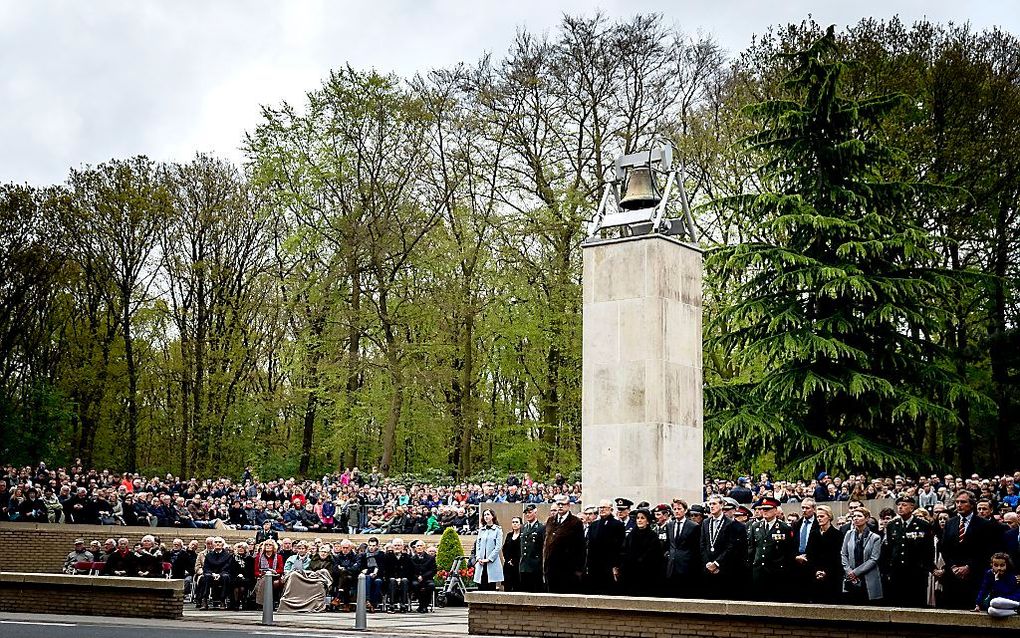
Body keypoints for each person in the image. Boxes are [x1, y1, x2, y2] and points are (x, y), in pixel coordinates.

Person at [939, 490, 997, 609]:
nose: (959, 505)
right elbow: (944, 548)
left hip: (974, 576)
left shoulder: (984, 524)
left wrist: (968, 567)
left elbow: (986, 550)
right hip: (952, 576)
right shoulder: (950, 523)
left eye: (963, 502)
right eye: (957, 502)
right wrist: (953, 567)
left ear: (972, 504)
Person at [882, 495, 934, 608]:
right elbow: (889, 549)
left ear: (912, 507)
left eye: (904, 505)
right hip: (897, 572)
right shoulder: (892, 525)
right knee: (897, 603)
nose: (900, 507)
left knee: (916, 604)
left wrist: (927, 567)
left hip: (916, 572)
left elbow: (928, 549)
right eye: (899, 505)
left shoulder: (923, 525)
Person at [747, 496, 796, 601]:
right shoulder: (756, 526)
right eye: (763, 509)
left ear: (775, 510)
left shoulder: (784, 528)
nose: (764, 511)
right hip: (759, 571)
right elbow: (752, 549)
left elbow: (789, 551)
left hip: (776, 572)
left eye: (768, 509)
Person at [701, 495, 745, 599]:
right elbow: (702, 545)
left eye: (714, 504)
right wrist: (707, 563)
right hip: (708, 567)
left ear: (721, 505)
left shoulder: (730, 523)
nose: (711, 506)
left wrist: (717, 563)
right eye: (710, 504)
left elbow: (731, 547)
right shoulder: (705, 522)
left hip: (724, 568)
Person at [543, 495, 585, 594]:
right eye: (558, 504)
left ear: (568, 505)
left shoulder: (575, 522)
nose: (561, 506)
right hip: (551, 567)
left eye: (563, 504)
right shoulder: (550, 520)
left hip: (567, 568)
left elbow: (580, 547)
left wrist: (578, 570)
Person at [841, 507, 883, 604]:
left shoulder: (875, 538)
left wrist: (856, 572)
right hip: (850, 577)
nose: (855, 518)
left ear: (867, 518)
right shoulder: (848, 534)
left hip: (867, 577)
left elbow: (874, 559)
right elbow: (844, 554)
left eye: (859, 516)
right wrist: (848, 571)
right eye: (854, 516)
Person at [619, 508, 665, 596]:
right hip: (630, 575)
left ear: (648, 521)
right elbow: (624, 551)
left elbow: (654, 557)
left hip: (647, 576)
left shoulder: (653, 537)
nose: (639, 520)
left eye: (642, 518)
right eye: (638, 518)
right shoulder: (631, 535)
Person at [806, 505, 844, 603]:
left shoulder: (837, 535)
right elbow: (809, 554)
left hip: (832, 576)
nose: (819, 519)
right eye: (818, 516)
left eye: (822, 516)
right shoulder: (814, 534)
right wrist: (815, 571)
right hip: (814, 575)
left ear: (829, 517)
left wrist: (826, 572)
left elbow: (837, 557)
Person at [586, 499, 625, 594]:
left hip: (609, 566)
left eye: (604, 507)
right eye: (600, 507)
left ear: (611, 509)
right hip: (594, 566)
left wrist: (616, 566)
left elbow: (619, 547)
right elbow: (590, 545)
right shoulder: (594, 525)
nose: (602, 510)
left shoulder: (617, 525)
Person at [664, 499, 701, 598]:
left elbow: (696, 549)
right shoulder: (669, 525)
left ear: (685, 510)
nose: (676, 511)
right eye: (674, 509)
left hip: (686, 567)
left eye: (679, 509)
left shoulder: (693, 526)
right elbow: (669, 544)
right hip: (671, 567)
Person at [976, 553, 1020, 617]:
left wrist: (997, 580)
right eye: (996, 565)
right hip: (999, 603)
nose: (999, 568)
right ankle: (1016, 611)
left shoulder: (1011, 576)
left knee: (994, 602)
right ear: (992, 565)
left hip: (1011, 599)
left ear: (1006, 565)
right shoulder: (989, 574)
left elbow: (1002, 593)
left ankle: (1018, 605)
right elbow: (983, 589)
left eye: (1002, 565)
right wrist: (978, 604)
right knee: (991, 610)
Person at [474, 509, 504, 591]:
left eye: (488, 514)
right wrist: (478, 558)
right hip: (481, 562)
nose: (486, 516)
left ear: (492, 516)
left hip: (491, 562)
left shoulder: (498, 530)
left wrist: (489, 559)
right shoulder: (481, 530)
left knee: (490, 585)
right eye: (484, 515)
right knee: (480, 584)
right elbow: (478, 544)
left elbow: (498, 546)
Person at [198, 537, 232, 609]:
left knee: (226, 577)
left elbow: (227, 567)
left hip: (223, 574)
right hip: (211, 574)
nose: (217, 544)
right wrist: (212, 574)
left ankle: (222, 601)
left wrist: (219, 574)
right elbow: (206, 567)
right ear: (213, 544)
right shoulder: (209, 555)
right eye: (216, 542)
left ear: (223, 544)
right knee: (206, 576)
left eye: (219, 542)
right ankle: (204, 601)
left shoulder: (228, 556)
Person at [518, 503, 545, 592]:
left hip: (535, 565)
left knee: (536, 591)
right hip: (524, 565)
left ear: (535, 512)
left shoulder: (541, 528)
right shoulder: (523, 527)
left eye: (530, 512)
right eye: (526, 513)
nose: (527, 515)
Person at [254, 540, 285, 608]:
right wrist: (260, 574)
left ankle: (272, 601)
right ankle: (262, 602)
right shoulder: (258, 557)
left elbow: (281, 569)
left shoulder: (279, 557)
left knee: (275, 583)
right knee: (265, 580)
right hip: (263, 576)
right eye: (266, 545)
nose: (268, 546)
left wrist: (273, 571)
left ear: (273, 547)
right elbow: (256, 571)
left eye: (270, 545)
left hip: (275, 576)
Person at [384, 538, 413, 612]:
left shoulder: (407, 557)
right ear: (392, 546)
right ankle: (391, 605)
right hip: (390, 579)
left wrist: (400, 578)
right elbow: (386, 571)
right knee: (392, 580)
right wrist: (395, 578)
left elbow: (409, 570)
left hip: (404, 579)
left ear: (402, 547)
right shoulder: (387, 556)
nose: (397, 547)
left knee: (405, 580)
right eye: (395, 545)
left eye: (399, 545)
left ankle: (403, 605)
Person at [409, 540, 436, 613]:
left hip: (427, 578)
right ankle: (422, 605)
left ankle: (424, 605)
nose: (419, 547)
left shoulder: (430, 558)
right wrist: (417, 577)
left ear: (424, 547)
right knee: (415, 585)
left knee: (431, 585)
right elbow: (410, 571)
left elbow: (433, 570)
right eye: (418, 546)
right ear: (415, 548)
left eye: (421, 546)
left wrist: (423, 577)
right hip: (416, 579)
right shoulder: (412, 559)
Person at [229, 542, 255, 610]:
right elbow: (231, 569)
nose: (241, 549)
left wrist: (243, 575)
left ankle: (243, 601)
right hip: (235, 577)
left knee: (243, 587)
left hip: (246, 577)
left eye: (243, 547)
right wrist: (238, 575)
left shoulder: (250, 558)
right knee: (236, 586)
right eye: (239, 547)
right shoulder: (232, 558)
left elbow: (251, 571)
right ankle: (236, 603)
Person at [502, 516, 523, 592]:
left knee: (517, 586)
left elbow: (521, 550)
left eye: (517, 522)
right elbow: (504, 548)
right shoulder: (509, 535)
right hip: (508, 564)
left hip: (518, 565)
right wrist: (508, 560)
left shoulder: (522, 535)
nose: (515, 524)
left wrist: (514, 560)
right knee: (507, 586)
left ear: (520, 524)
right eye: (513, 522)